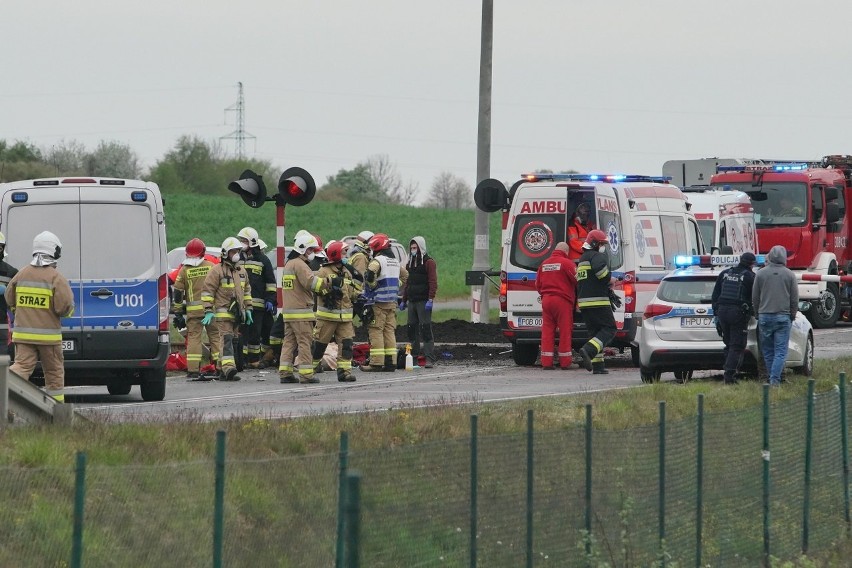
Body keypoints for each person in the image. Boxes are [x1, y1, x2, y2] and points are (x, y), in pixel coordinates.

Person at [5, 231, 75, 402]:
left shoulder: (21, 274)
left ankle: (5, 395)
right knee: (53, 374)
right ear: (53, 250)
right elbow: (63, 307)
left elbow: (9, 298)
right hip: (49, 338)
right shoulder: (55, 277)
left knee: (21, 368)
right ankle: (57, 412)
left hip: (23, 336)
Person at [279, 231, 329, 384]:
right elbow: (311, 284)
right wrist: (329, 282)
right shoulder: (300, 265)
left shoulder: (289, 264)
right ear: (302, 249)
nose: (312, 253)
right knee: (304, 343)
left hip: (289, 313)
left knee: (289, 342)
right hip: (301, 313)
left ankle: (285, 373)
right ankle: (306, 374)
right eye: (310, 250)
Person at [201, 237, 253, 382]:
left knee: (233, 340)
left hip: (238, 314)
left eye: (237, 251)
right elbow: (207, 291)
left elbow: (247, 291)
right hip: (223, 313)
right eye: (233, 251)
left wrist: (248, 309)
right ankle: (229, 368)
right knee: (227, 340)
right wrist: (208, 310)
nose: (236, 254)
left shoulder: (241, 271)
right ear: (225, 253)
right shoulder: (216, 271)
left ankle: (220, 368)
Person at [313, 240, 362, 382]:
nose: (346, 255)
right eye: (344, 252)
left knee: (346, 345)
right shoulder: (323, 271)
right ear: (335, 254)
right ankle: (310, 368)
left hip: (345, 318)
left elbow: (351, 292)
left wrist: (358, 293)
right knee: (319, 346)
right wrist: (329, 286)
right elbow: (316, 289)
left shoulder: (347, 271)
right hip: (327, 318)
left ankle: (344, 372)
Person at [172, 238, 220, 381]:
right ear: (203, 252)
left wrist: (178, 312)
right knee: (216, 337)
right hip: (210, 310)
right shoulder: (212, 266)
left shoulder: (184, 271)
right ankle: (220, 367)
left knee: (194, 339)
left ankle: (193, 370)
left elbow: (178, 292)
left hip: (194, 312)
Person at [360, 233, 408, 372]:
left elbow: (369, 274)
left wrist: (374, 285)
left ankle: (376, 363)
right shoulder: (395, 261)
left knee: (376, 332)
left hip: (378, 302)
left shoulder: (378, 260)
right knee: (389, 332)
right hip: (392, 302)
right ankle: (390, 363)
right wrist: (395, 285)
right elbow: (405, 276)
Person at [753, 245, 799, 386]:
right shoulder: (789, 275)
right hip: (783, 317)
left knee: (767, 351)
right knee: (780, 351)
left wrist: (757, 313)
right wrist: (792, 314)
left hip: (764, 316)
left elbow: (755, 297)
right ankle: (774, 381)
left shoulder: (760, 274)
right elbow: (794, 298)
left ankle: (770, 378)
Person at [711, 252, 757, 385]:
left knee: (729, 343)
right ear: (752, 264)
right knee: (737, 346)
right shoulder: (749, 276)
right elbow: (754, 297)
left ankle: (729, 372)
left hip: (722, 312)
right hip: (737, 313)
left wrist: (716, 314)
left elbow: (715, 295)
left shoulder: (725, 273)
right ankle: (730, 377)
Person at [575, 230, 618, 374]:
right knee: (609, 329)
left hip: (585, 304)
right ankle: (589, 350)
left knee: (595, 332)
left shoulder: (582, 259)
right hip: (598, 301)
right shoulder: (597, 256)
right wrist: (611, 280)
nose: (603, 247)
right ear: (595, 244)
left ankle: (598, 366)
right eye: (602, 244)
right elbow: (601, 274)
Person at [237, 227, 277, 368]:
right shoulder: (238, 259)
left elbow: (271, 283)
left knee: (255, 333)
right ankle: (242, 360)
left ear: (252, 242)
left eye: (244, 241)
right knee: (242, 333)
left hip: (258, 306)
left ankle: (254, 360)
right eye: (241, 240)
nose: (241, 243)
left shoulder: (263, 260)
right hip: (240, 305)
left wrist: (271, 300)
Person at [536, 241, 577, 369]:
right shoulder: (567, 263)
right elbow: (577, 280)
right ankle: (565, 363)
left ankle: (546, 363)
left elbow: (537, 285)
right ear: (566, 252)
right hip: (562, 301)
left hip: (546, 300)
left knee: (547, 331)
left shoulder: (544, 264)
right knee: (565, 331)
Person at [401, 236, 438, 368]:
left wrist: (430, 299)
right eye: (411, 248)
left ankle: (429, 357)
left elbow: (433, 282)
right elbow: (408, 283)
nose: (413, 250)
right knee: (411, 329)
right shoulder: (409, 264)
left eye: (415, 248)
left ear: (421, 247)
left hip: (423, 301)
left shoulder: (429, 262)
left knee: (425, 329)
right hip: (412, 301)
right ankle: (414, 357)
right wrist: (404, 300)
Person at [0, 232, 19, 356]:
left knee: (2, 361)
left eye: (1, 246)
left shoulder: (11, 272)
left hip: (1, 325)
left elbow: (16, 302)